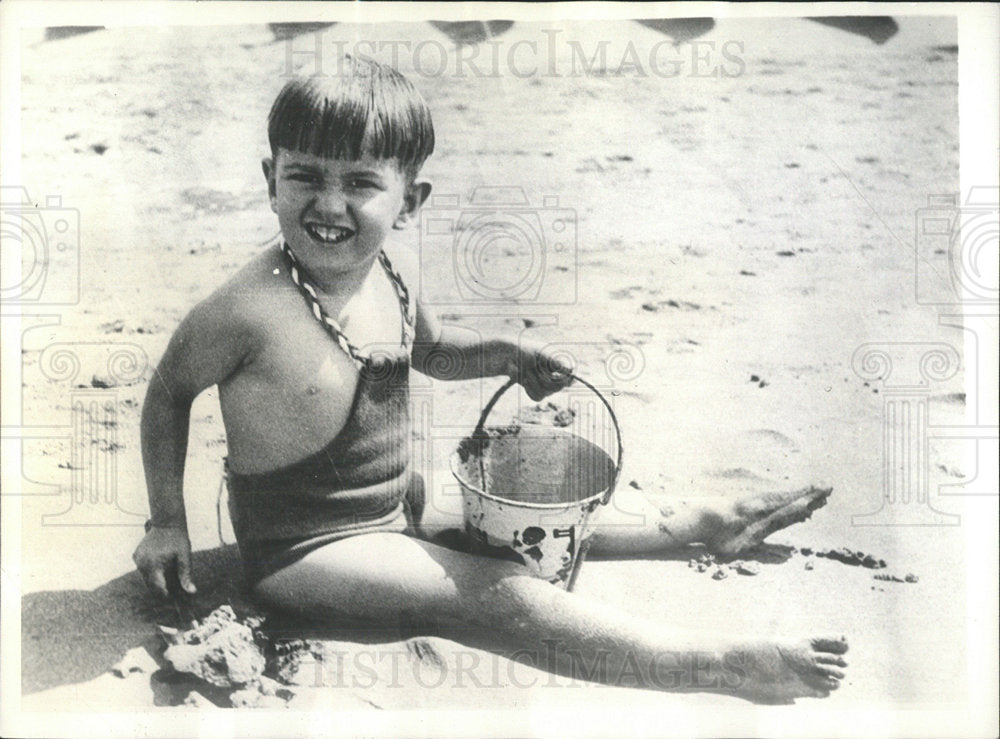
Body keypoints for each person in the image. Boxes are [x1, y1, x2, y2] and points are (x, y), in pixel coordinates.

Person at [133, 56, 847, 703]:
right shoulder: (244, 310)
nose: (329, 204)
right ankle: (720, 663)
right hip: (306, 550)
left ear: (410, 202)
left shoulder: (392, 274)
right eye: (306, 176)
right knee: (494, 590)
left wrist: (505, 356)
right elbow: (169, 390)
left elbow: (436, 351)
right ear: (270, 180)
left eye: (360, 183)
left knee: (537, 514)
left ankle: (703, 523)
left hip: (393, 506)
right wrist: (168, 520)